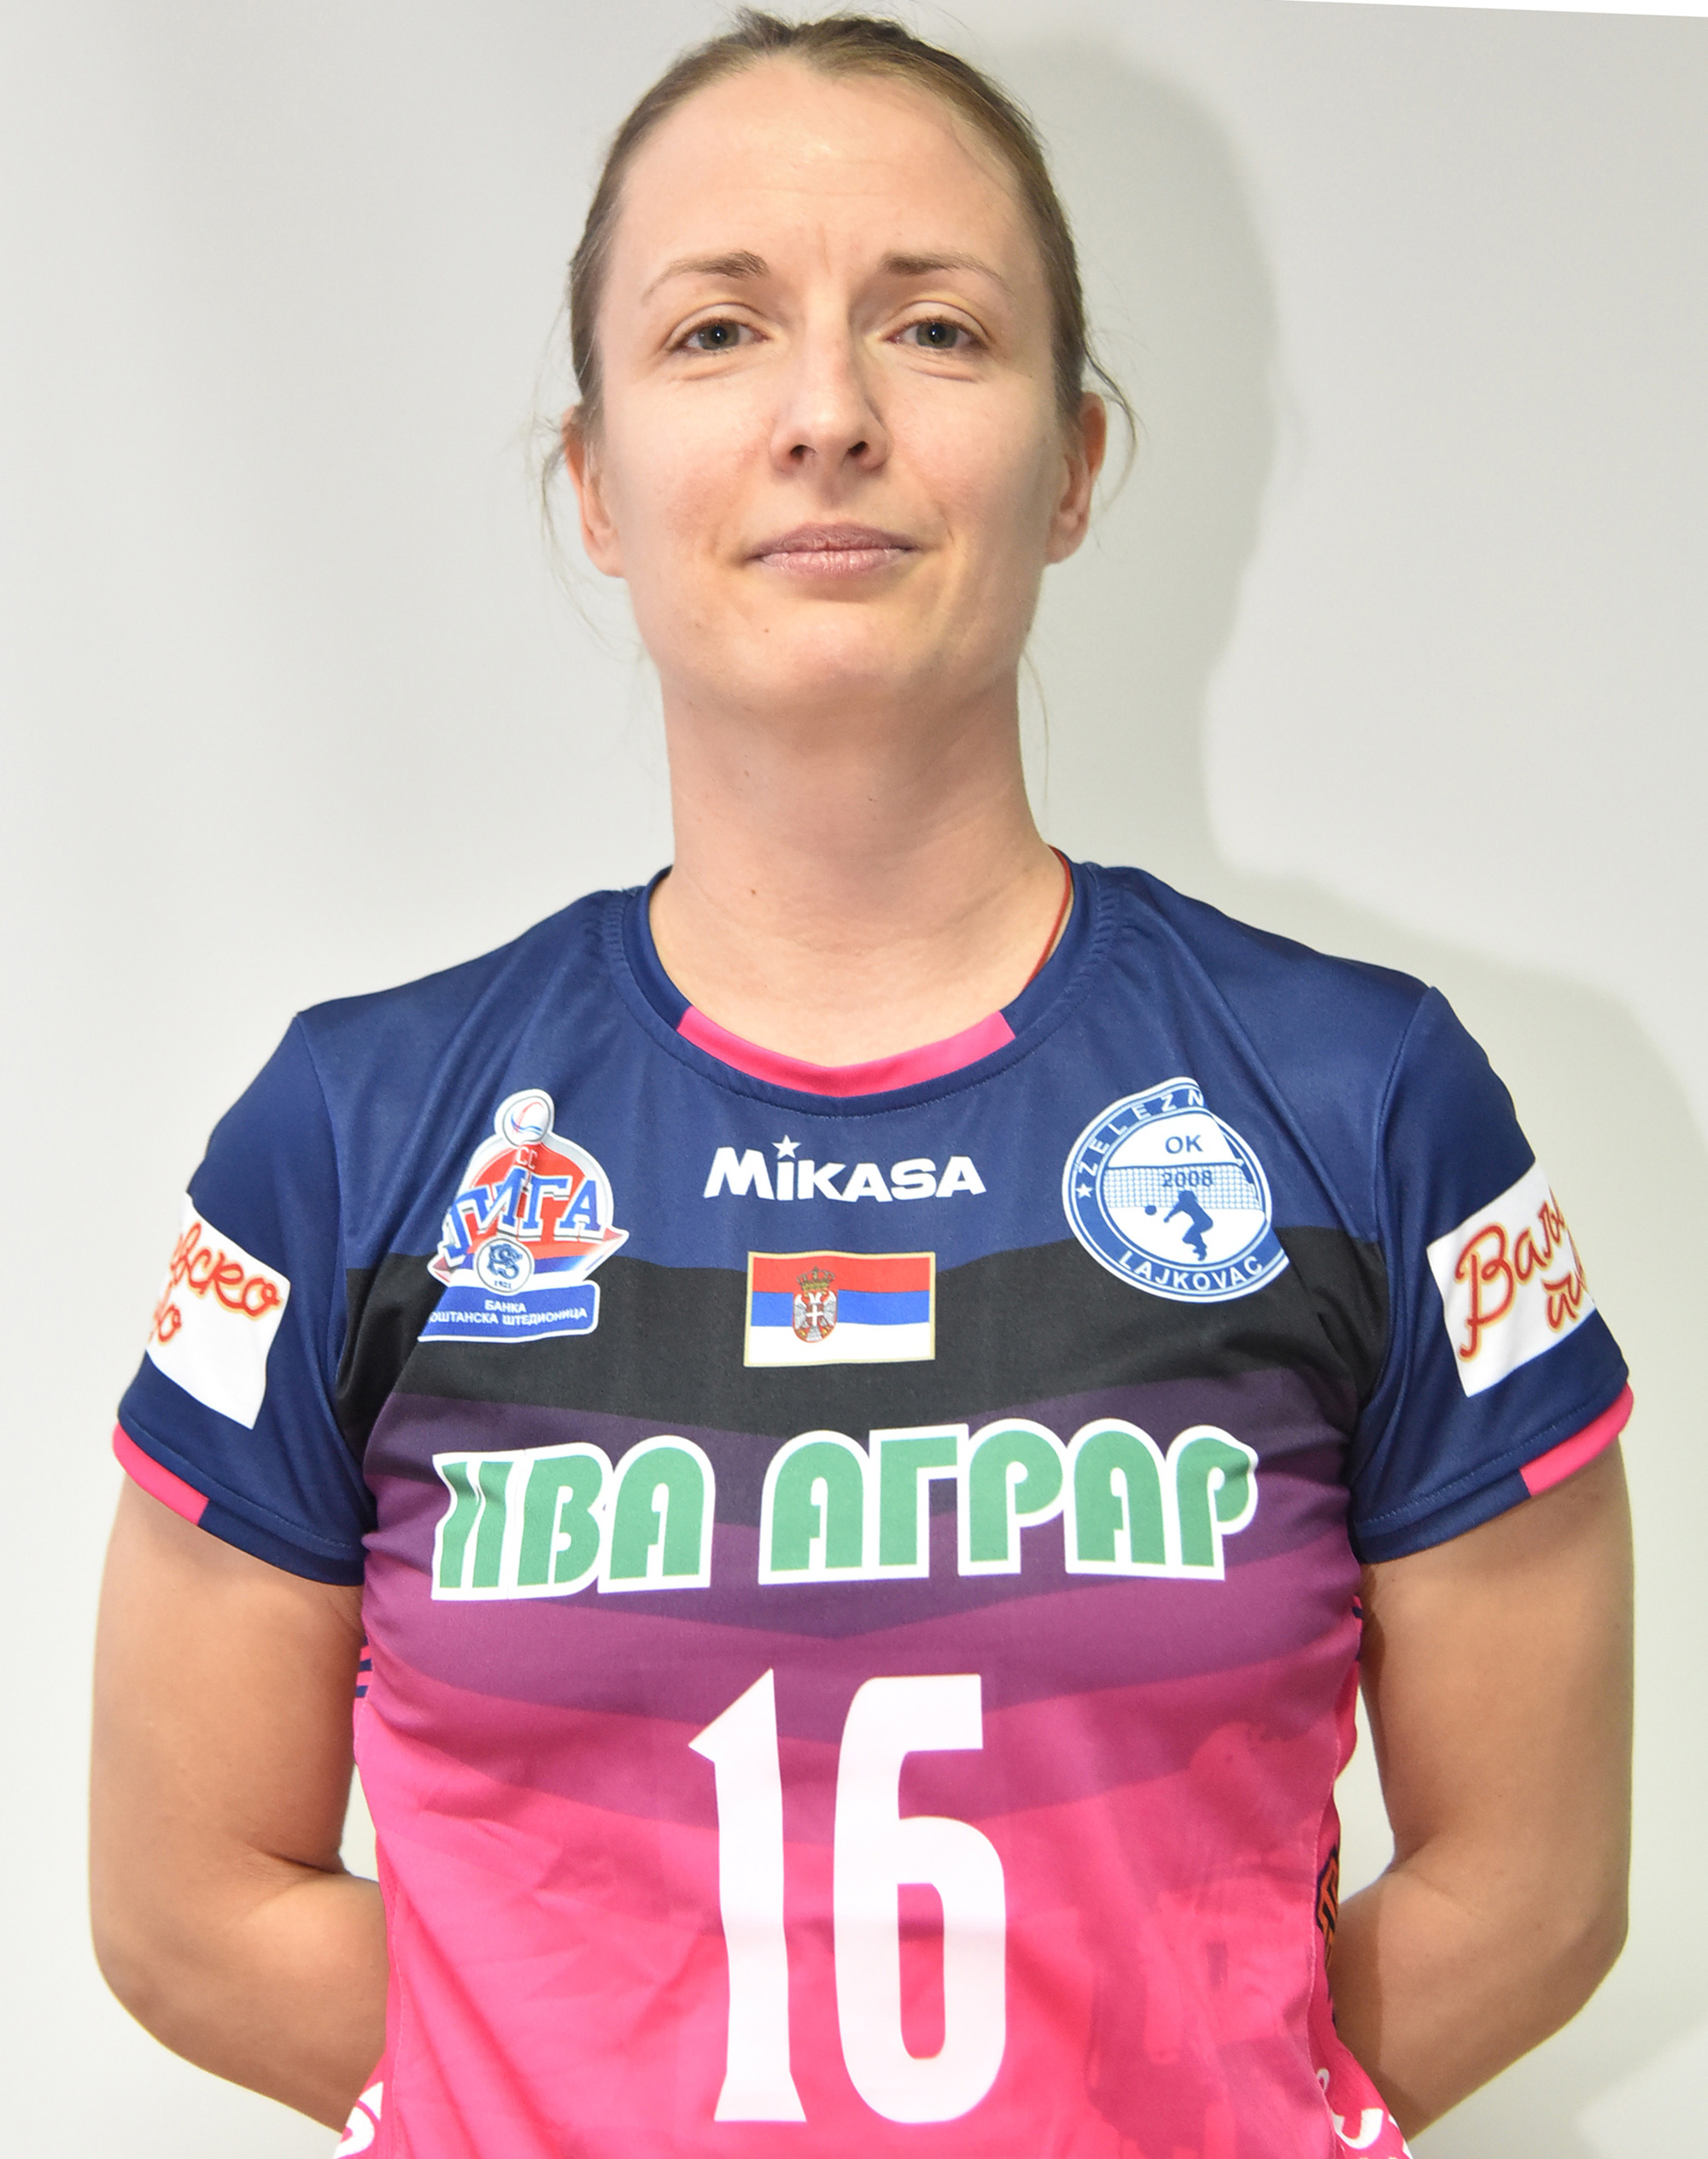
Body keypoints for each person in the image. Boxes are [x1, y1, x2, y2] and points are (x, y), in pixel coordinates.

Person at [90, 13, 1634, 2157]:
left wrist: (1191, 2099)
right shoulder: (349, 1137)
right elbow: (187, 1898)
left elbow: (1532, 1883)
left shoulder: (1366, 1105)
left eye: (934, 328)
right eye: (717, 330)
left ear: (1073, 462)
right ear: (595, 481)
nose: (827, 414)